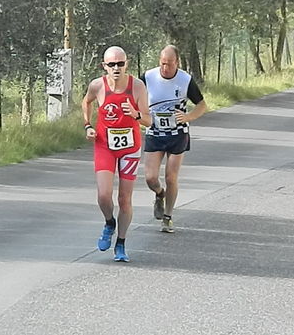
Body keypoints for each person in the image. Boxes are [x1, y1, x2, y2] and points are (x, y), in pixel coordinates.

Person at [82, 46, 151, 262]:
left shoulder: (137, 87)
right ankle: (109, 222)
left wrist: (137, 114)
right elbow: (86, 102)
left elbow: (149, 121)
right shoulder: (97, 86)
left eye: (120, 63)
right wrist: (87, 125)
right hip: (105, 145)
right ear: (104, 66)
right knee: (103, 195)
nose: (116, 68)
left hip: (130, 148)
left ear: (126, 64)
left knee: (124, 199)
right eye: (111, 64)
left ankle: (120, 243)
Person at [141, 45, 207, 233]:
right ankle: (159, 194)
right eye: (162, 64)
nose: (165, 68)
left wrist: (188, 117)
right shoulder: (147, 77)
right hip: (155, 132)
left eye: (169, 64)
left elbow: (202, 105)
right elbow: (134, 96)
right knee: (150, 178)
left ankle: (168, 217)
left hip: (178, 134)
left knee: (171, 177)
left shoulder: (185, 80)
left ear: (176, 62)